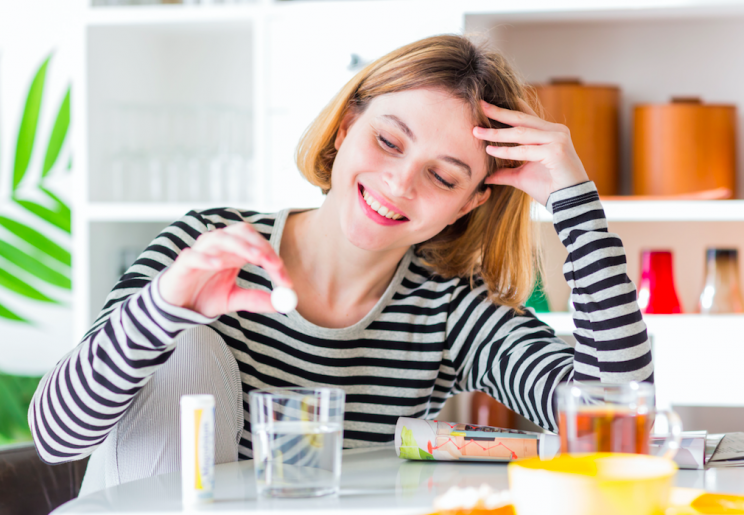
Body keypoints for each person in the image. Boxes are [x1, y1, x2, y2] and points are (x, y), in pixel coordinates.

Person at [28, 34, 652, 494]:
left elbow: (615, 421)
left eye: (442, 176)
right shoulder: (209, 245)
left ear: (470, 204)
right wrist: (164, 309)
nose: (399, 184)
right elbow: (56, 437)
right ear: (346, 126)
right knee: (187, 345)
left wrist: (576, 206)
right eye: (387, 141)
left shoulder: (450, 308)